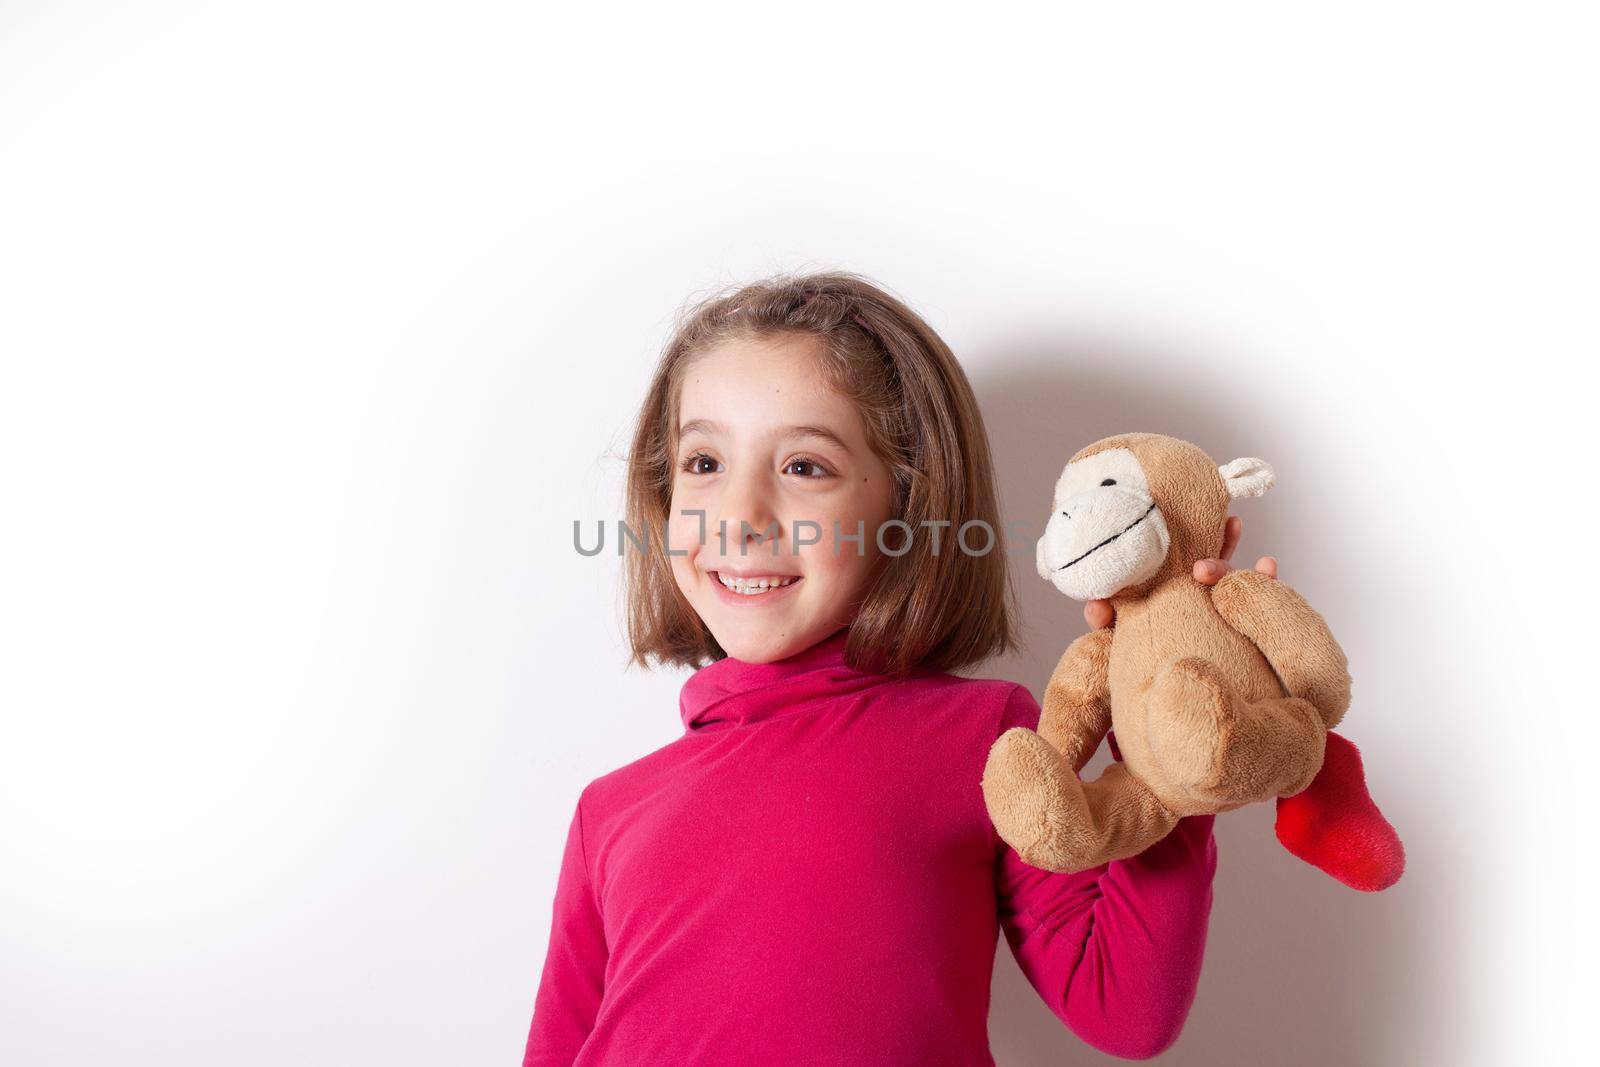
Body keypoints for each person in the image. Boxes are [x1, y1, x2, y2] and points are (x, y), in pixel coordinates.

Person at [522, 270, 1280, 1065]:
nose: (739, 517)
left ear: (908, 507)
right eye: (704, 462)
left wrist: (1174, 730)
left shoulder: (988, 740)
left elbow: (1124, 1009)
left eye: (804, 467)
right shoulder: (607, 813)